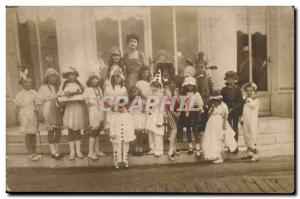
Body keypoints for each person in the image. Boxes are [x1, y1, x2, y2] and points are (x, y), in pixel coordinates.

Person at [58, 66, 85, 160]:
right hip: (69, 109)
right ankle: (72, 152)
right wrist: (64, 98)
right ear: (66, 76)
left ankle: (78, 151)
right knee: (70, 130)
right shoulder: (64, 85)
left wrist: (80, 97)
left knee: (77, 130)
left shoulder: (80, 84)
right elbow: (60, 96)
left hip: (78, 108)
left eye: (72, 74)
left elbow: (84, 95)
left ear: (75, 75)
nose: (71, 76)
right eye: (69, 75)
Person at [14, 69, 42, 161]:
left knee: (33, 133)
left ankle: (34, 151)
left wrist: (38, 114)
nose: (28, 84)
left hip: (32, 113)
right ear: (22, 84)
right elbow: (17, 106)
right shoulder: (20, 94)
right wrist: (17, 118)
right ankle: (29, 152)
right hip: (25, 114)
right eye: (25, 83)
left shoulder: (33, 93)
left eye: (29, 82)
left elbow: (37, 103)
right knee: (27, 134)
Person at [202, 92, 237, 164]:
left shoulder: (223, 106)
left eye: (216, 100)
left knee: (219, 138)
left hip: (219, 123)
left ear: (219, 100)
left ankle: (220, 156)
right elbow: (209, 114)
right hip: (212, 124)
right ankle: (214, 155)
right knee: (212, 138)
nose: (215, 102)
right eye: (213, 100)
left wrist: (224, 125)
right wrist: (211, 109)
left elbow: (225, 116)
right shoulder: (213, 106)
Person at [37, 68, 63, 160]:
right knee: (51, 130)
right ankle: (53, 151)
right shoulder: (43, 88)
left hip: (57, 108)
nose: (53, 78)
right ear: (47, 78)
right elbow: (39, 102)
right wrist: (40, 114)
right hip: (48, 109)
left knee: (58, 130)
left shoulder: (57, 87)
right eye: (51, 76)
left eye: (55, 76)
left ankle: (56, 150)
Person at [177, 76, 204, 157]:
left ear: (194, 86)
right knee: (188, 129)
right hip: (187, 113)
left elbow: (200, 104)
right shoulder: (183, 94)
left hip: (194, 113)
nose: (190, 87)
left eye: (191, 85)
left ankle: (198, 149)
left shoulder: (196, 94)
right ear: (185, 86)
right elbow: (181, 104)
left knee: (195, 130)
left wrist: (198, 109)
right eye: (188, 85)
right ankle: (190, 147)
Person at [83, 70, 106, 160]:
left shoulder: (99, 89)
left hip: (99, 110)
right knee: (93, 130)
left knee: (97, 131)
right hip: (93, 111)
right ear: (90, 80)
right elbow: (86, 101)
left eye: (96, 78)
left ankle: (96, 150)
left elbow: (102, 100)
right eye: (93, 79)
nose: (95, 80)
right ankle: (90, 152)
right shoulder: (88, 89)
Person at [109, 100, 136, 169]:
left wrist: (131, 136)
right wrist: (112, 133)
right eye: (119, 107)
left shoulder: (129, 116)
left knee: (125, 149)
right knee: (116, 149)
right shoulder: (114, 116)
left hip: (126, 135)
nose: (120, 109)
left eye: (122, 107)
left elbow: (131, 126)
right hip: (116, 135)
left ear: (125, 107)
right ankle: (116, 164)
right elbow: (111, 126)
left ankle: (126, 163)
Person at [221, 71, 244, 146]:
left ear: (235, 79)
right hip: (227, 111)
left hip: (235, 111)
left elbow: (240, 102)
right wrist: (226, 109)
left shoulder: (238, 89)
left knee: (235, 128)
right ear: (226, 80)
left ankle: (235, 145)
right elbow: (222, 101)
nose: (230, 80)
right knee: (228, 128)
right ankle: (230, 145)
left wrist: (233, 109)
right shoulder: (223, 90)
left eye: (232, 79)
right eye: (228, 79)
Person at [145, 70, 165, 157]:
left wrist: (160, 120)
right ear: (151, 86)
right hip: (150, 117)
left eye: (157, 86)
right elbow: (147, 109)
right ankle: (152, 148)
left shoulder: (161, 97)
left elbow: (162, 110)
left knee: (158, 134)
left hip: (157, 117)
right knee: (151, 133)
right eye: (153, 86)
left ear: (160, 87)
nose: (155, 88)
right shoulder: (149, 96)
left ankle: (159, 150)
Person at [241, 82, 259, 161]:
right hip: (246, 120)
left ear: (255, 92)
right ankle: (249, 152)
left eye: (251, 91)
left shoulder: (255, 101)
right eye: (247, 91)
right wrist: (242, 118)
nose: (249, 92)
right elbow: (244, 111)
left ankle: (255, 154)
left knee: (252, 135)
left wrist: (247, 99)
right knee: (246, 135)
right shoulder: (245, 101)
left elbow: (251, 105)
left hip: (253, 121)